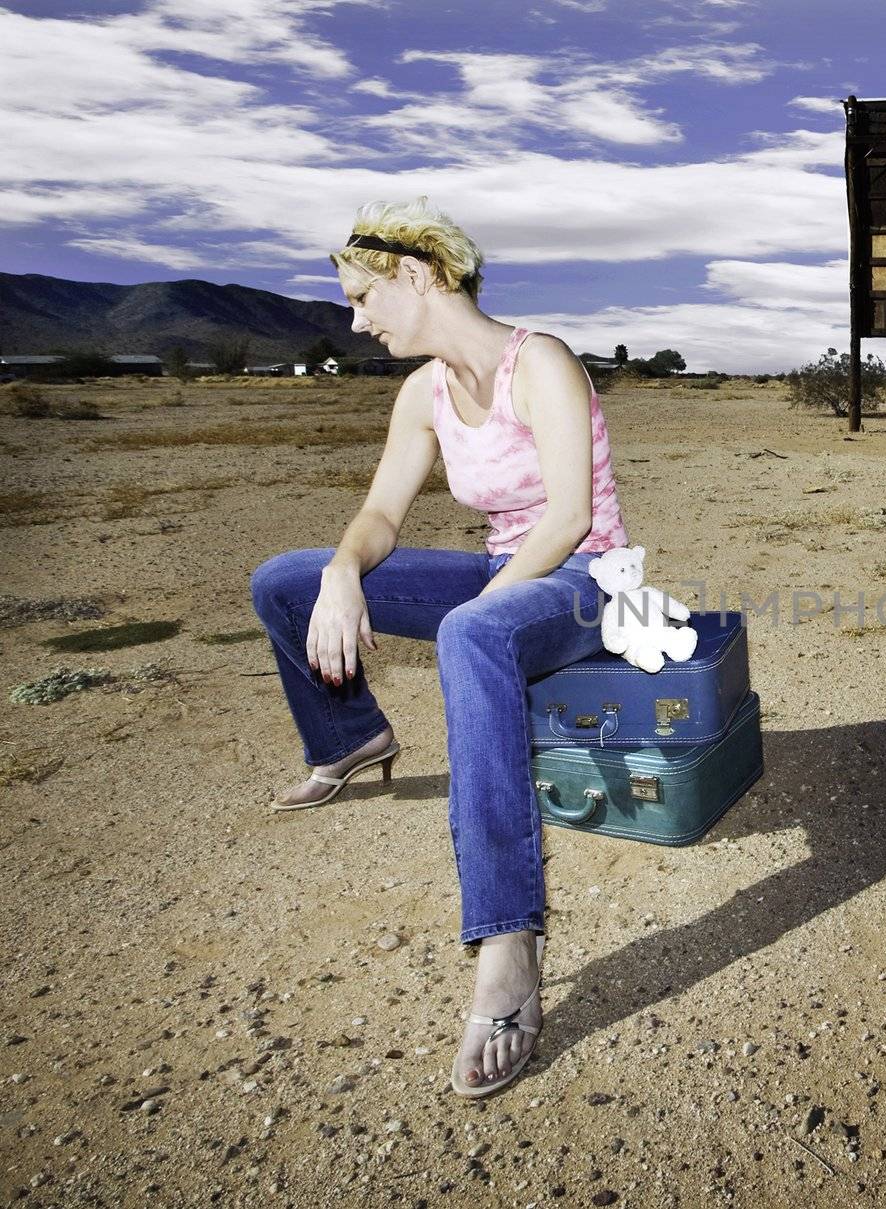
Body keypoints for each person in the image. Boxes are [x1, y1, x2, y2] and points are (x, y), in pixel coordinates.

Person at [249, 196, 629, 1099]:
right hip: (507, 567)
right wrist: (344, 568)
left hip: (586, 582)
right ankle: (347, 738)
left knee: (472, 625)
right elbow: (382, 513)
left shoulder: (540, 362)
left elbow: (572, 517)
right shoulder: (421, 392)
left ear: (417, 275)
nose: (357, 320)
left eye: (361, 298)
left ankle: (508, 941)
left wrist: (486, 609)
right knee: (285, 579)